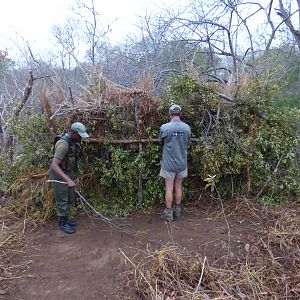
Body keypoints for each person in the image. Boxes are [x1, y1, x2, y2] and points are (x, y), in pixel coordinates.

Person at [48, 122, 89, 234]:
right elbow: (54, 165)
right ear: (73, 133)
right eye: (80, 135)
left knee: (70, 197)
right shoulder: (63, 145)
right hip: (58, 175)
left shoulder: (72, 142)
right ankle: (62, 223)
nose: (81, 138)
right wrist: (68, 179)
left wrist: (71, 177)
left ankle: (65, 219)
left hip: (67, 173)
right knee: (62, 200)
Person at [159, 104, 191, 222]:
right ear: (180, 114)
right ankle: (177, 212)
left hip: (168, 164)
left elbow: (161, 142)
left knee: (169, 189)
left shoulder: (165, 127)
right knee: (178, 188)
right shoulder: (187, 128)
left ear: (170, 114)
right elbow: (188, 142)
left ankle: (168, 215)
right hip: (181, 163)